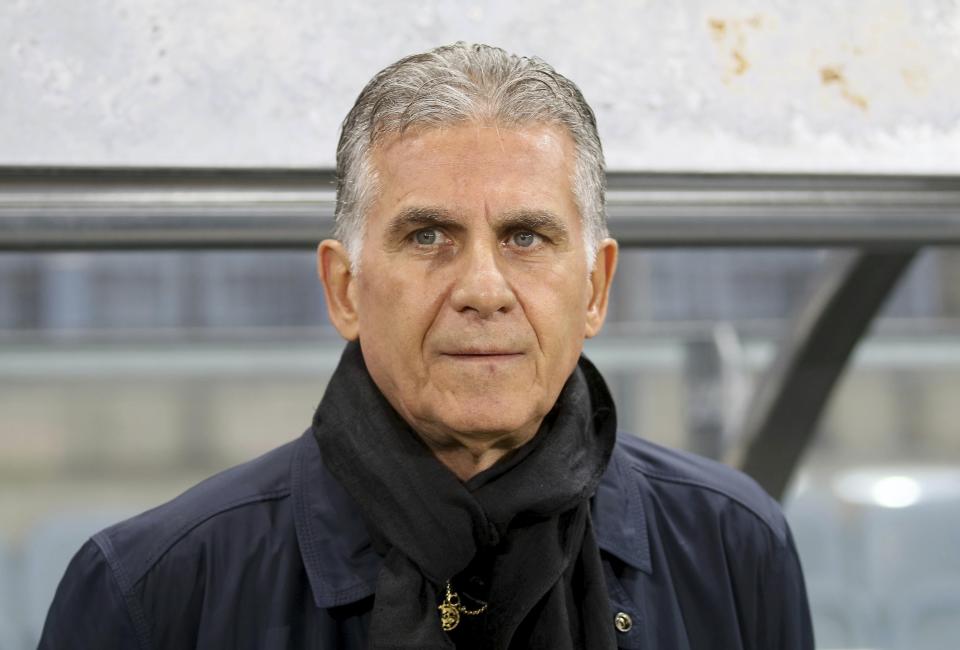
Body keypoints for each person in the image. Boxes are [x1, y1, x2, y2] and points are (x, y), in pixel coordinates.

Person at [39, 43, 813, 649]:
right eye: (428, 235)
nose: (483, 287)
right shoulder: (155, 591)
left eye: (525, 235)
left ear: (597, 288)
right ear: (344, 288)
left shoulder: (732, 544)